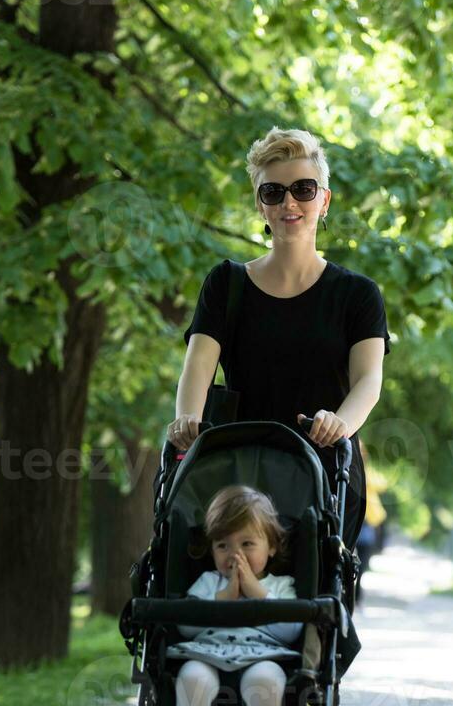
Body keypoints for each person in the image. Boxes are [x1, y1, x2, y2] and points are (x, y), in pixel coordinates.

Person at [167, 126, 390, 551]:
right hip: (235, 474)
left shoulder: (358, 295)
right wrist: (187, 419)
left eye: (304, 189)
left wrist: (339, 423)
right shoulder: (226, 284)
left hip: (323, 476)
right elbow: (197, 367)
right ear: (260, 205)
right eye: (273, 192)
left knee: (317, 595)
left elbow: (369, 382)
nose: (289, 202)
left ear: (324, 200)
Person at [166, 485, 302, 706]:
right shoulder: (209, 583)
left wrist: (257, 595)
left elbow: (291, 631)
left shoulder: (280, 587)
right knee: (191, 678)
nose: (234, 555)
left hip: (262, 656)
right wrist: (224, 599)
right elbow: (185, 626)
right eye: (222, 545)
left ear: (271, 547)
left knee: (267, 682)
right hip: (207, 655)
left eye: (247, 544)